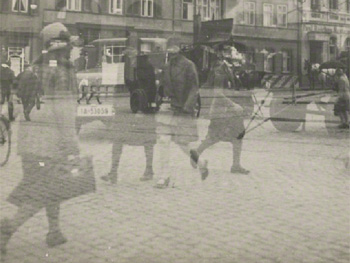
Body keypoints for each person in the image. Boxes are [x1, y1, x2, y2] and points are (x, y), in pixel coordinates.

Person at [0, 22, 95, 256]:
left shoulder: (31, 69)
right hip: (50, 144)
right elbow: (64, 114)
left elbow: (17, 107)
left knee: (50, 187)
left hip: (29, 143)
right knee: (44, 191)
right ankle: (7, 229)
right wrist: (72, 147)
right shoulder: (64, 71)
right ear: (62, 46)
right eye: (70, 45)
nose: (72, 50)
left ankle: (54, 231)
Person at [154, 42, 208, 188]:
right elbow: (162, 87)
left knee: (182, 143)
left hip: (182, 108)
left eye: (173, 49)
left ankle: (201, 162)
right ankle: (164, 176)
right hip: (167, 108)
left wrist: (187, 106)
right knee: (163, 141)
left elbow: (194, 88)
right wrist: (158, 100)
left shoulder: (189, 66)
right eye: (169, 50)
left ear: (180, 50)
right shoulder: (166, 67)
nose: (171, 52)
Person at [190, 48, 250, 175]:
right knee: (213, 138)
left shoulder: (230, 69)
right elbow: (218, 93)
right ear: (227, 56)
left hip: (231, 113)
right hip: (222, 112)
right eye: (236, 53)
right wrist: (233, 104)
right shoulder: (220, 71)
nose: (239, 56)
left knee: (238, 137)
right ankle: (196, 153)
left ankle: (236, 165)